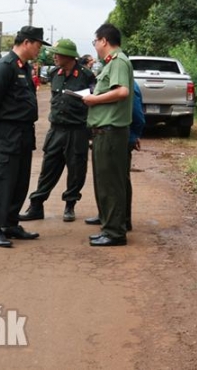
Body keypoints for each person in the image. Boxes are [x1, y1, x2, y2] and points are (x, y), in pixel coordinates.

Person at [0, 26, 49, 248]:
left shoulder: (25, 67)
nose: (39, 49)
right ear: (27, 42)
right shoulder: (4, 67)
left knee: (19, 180)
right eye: (38, 45)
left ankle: (10, 223)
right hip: (7, 132)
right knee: (2, 179)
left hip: (23, 132)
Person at [18, 39, 96, 223]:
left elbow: (94, 100)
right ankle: (36, 205)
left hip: (77, 130)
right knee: (48, 169)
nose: (54, 57)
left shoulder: (86, 76)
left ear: (68, 57)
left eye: (58, 54)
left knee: (76, 170)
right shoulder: (54, 73)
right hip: (56, 130)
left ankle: (70, 205)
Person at [82, 23, 134, 247]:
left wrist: (93, 99)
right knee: (108, 181)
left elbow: (122, 91)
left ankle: (114, 232)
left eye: (95, 42)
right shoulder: (112, 63)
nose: (95, 46)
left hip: (111, 132)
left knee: (111, 183)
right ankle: (110, 223)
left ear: (103, 40)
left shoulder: (119, 61)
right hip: (106, 131)